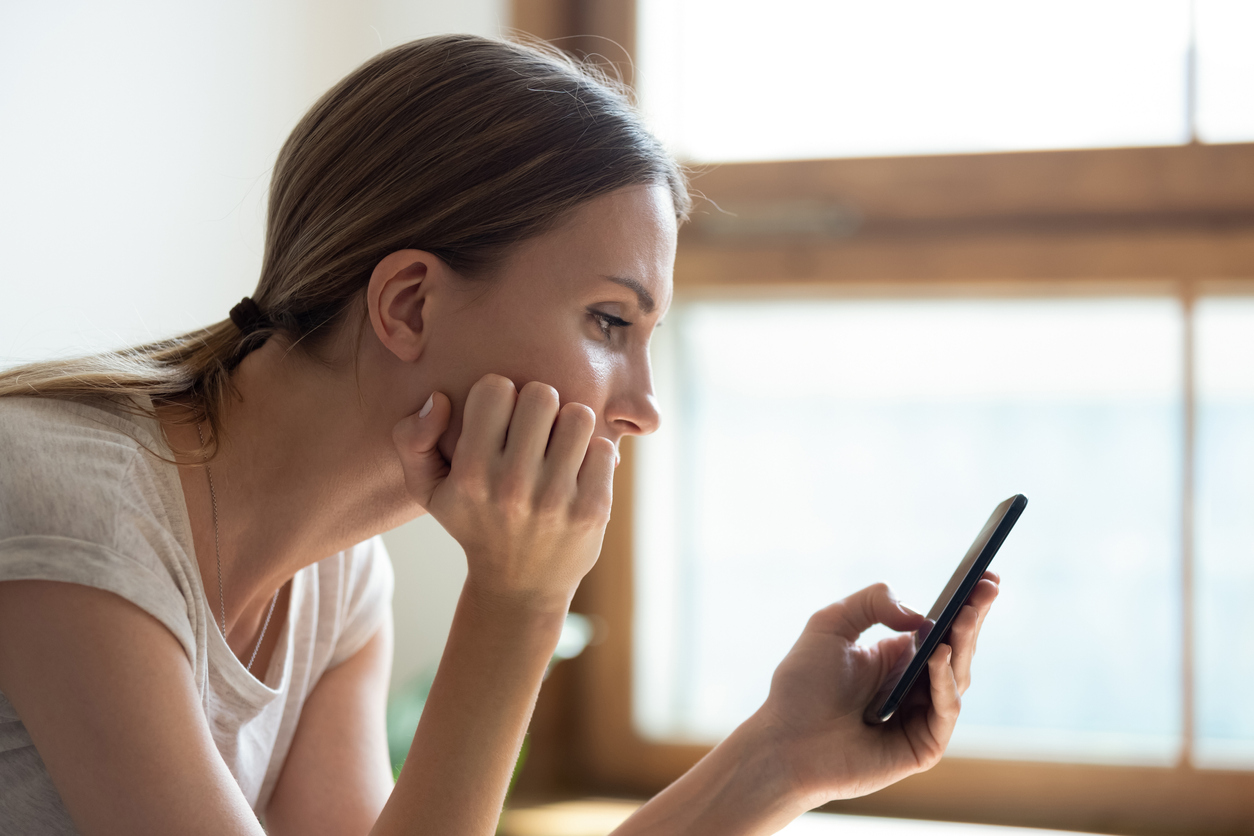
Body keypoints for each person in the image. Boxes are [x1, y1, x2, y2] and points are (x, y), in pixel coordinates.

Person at [0, 34, 999, 836]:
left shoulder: (341, 580)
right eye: (611, 322)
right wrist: (518, 603)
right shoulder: (71, 508)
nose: (643, 403)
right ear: (410, 303)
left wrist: (777, 760)